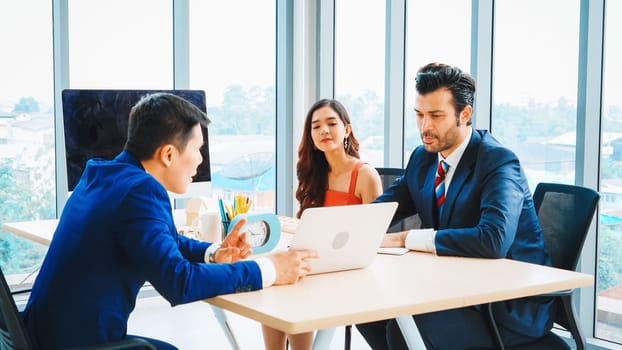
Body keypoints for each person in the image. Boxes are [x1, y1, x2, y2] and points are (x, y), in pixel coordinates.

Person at [22, 93, 318, 350]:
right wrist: (271, 269)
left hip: (40, 336)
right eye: (197, 149)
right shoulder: (141, 191)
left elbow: (167, 239)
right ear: (168, 154)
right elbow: (179, 282)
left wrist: (214, 253)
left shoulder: (102, 175)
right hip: (80, 345)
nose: (201, 160)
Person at [355, 63, 554, 349]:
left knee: (406, 330)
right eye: (419, 115)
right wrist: (335, 231)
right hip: (455, 288)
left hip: (506, 306)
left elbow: (493, 240)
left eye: (436, 116)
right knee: (369, 310)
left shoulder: (497, 161)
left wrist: (405, 238)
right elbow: (382, 209)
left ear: (465, 114)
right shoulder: (423, 159)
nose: (425, 126)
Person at [261, 99, 383, 350]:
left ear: (346, 130)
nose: (324, 131)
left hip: (349, 270)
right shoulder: (314, 174)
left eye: (331, 123)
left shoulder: (365, 175)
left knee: (291, 289)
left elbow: (375, 236)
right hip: (318, 262)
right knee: (275, 286)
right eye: (316, 127)